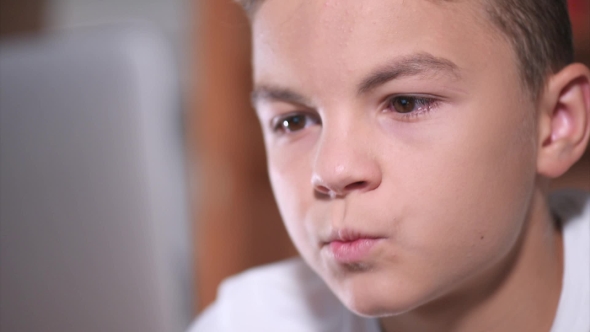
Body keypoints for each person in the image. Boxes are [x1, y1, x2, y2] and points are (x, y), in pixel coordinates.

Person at [189, 0, 590, 331]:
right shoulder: (248, 321)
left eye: (406, 103)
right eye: (293, 121)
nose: (331, 170)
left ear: (556, 123)